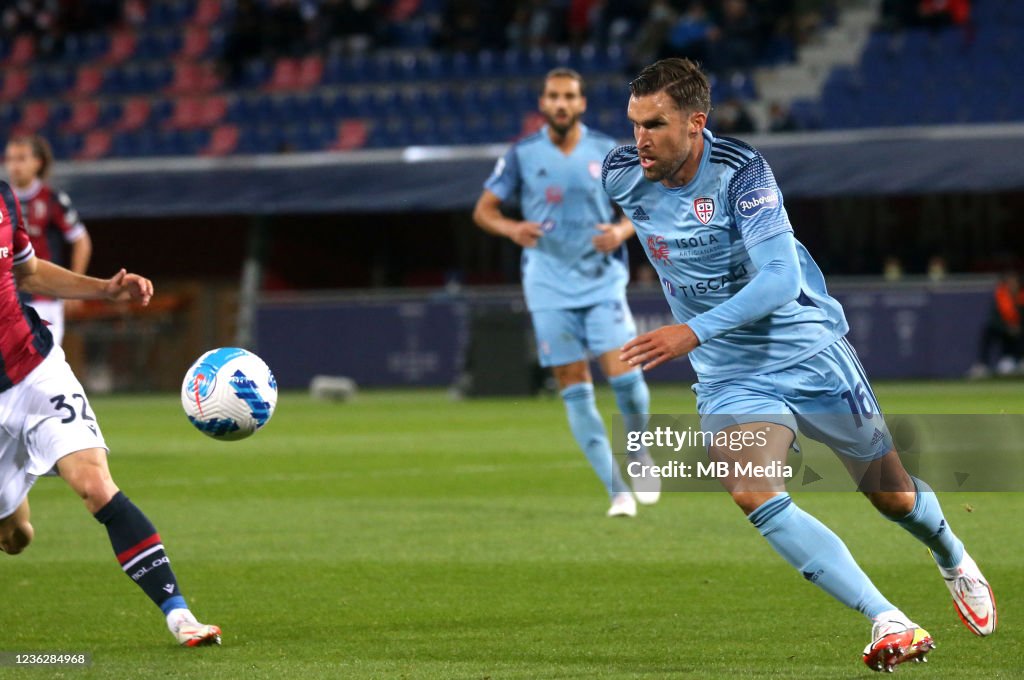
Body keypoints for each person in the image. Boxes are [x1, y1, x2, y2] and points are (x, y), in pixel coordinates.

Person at [602, 58, 995, 670]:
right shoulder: (622, 175)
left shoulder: (743, 174)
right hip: (730, 370)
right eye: (633, 124)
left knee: (890, 496)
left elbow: (782, 279)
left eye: (655, 124)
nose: (640, 139)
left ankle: (951, 554)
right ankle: (888, 618)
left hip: (804, 348)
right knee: (750, 489)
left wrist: (690, 332)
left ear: (696, 123)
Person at [0, 181, 221, 647]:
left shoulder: (3, 198)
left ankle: (179, 615)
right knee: (16, 536)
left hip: (36, 370)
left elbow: (29, 271)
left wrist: (104, 289)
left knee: (95, 484)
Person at [473, 67, 659, 518]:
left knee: (627, 380)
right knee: (574, 388)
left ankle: (639, 453)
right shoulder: (521, 154)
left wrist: (621, 230)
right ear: (543, 103)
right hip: (548, 286)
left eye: (569, 96)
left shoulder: (608, 151)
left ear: (581, 104)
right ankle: (617, 490)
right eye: (553, 96)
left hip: (600, 280)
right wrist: (512, 227)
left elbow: (648, 206)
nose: (560, 103)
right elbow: (484, 211)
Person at [5, 135, 92, 346]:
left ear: (38, 162)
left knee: (42, 364)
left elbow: (81, 241)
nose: (14, 166)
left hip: (44, 297)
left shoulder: (52, 199)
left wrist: (74, 287)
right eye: (10, 159)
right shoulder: (3, 199)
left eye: (21, 159)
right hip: (7, 297)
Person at [968, 270, 1023, 378]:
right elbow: (995, 319)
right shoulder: (1001, 295)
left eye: (1014, 282)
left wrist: (1018, 327)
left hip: (1020, 330)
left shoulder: (1022, 297)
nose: (1012, 285)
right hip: (1004, 330)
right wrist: (1008, 328)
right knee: (988, 330)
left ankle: (1019, 361)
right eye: (1009, 282)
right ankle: (983, 365)